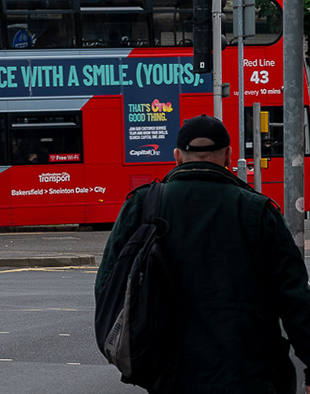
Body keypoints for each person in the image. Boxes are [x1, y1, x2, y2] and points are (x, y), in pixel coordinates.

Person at [95, 114, 310, 391]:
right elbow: (294, 297)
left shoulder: (144, 205)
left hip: (170, 371)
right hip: (251, 371)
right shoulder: (259, 211)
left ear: (177, 156)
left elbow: (107, 286)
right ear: (229, 156)